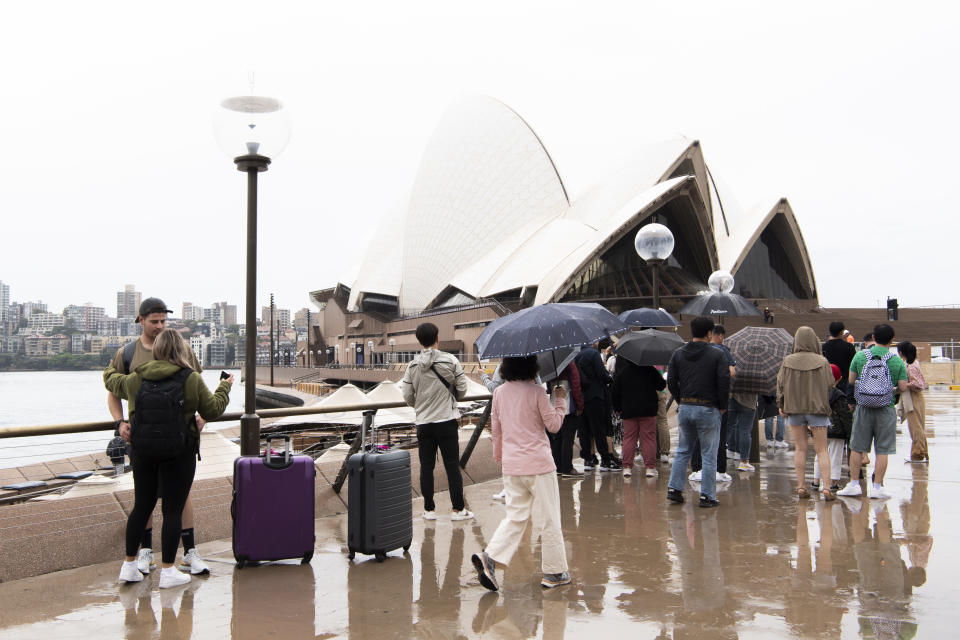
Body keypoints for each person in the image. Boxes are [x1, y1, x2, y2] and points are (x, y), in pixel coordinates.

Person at [106, 329, 232, 588]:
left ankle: (129, 565)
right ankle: (168, 571)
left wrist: (111, 370)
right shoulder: (191, 378)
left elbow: (111, 382)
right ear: (182, 351)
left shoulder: (135, 378)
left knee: (141, 507)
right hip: (179, 452)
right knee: (172, 510)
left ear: (156, 350)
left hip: (142, 451)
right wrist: (224, 387)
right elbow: (212, 409)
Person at [105, 297, 208, 576]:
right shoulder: (127, 353)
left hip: (178, 437)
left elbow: (197, 387)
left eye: (164, 321)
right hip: (145, 436)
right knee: (146, 498)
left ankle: (190, 551)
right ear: (140, 320)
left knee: (179, 496)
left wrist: (202, 418)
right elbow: (113, 394)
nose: (160, 326)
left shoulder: (181, 347)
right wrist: (119, 423)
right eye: (154, 321)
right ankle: (146, 553)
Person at [472, 355, 570, 590]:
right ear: (532, 367)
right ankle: (554, 572)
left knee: (515, 517)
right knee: (549, 518)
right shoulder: (537, 392)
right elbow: (554, 426)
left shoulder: (499, 394)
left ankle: (490, 557)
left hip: (512, 465)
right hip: (539, 465)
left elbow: (497, 430)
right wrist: (559, 401)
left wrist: (501, 458)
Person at [401, 322, 473, 521]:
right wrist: (451, 399)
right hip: (447, 420)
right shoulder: (450, 360)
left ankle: (429, 510)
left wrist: (421, 406)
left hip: (424, 423)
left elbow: (407, 395)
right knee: (452, 466)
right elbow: (462, 389)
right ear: (437, 338)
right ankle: (458, 510)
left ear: (418, 340)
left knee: (426, 466)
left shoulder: (412, 366)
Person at [838, 324, 909, 500]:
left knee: (857, 446)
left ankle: (854, 484)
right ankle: (877, 487)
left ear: (874, 337)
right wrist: (888, 390)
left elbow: (852, 381)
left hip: (863, 407)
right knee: (882, 449)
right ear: (892, 340)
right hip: (885, 408)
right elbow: (902, 387)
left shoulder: (860, 356)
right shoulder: (896, 361)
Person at [665, 317, 730, 508]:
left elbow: (671, 381)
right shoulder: (717, 355)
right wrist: (722, 404)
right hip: (708, 408)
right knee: (709, 453)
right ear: (709, 333)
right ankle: (707, 495)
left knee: (683, 450)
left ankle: (674, 489)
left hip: (686, 406)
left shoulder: (678, 354)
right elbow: (724, 381)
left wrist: (681, 400)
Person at [777, 326, 836, 500]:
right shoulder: (822, 361)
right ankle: (826, 488)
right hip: (817, 409)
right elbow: (830, 384)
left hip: (795, 409)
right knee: (822, 450)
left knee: (800, 449)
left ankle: (801, 487)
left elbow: (780, 385)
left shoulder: (787, 361)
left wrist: (781, 404)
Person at [688, 325, 735, 482]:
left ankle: (697, 468)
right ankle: (719, 470)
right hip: (716, 400)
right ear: (718, 335)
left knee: (697, 436)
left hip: (695, 399)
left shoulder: (694, 351)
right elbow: (731, 373)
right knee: (718, 436)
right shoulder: (722, 351)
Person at [611, 356, 666, 478]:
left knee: (629, 438)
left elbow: (615, 392)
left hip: (629, 410)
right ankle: (650, 468)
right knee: (649, 438)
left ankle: (627, 468)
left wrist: (618, 408)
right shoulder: (649, 370)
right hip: (648, 409)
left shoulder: (623, 372)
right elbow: (661, 385)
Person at [574, 340, 618, 471]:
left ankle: (588, 459)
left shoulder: (576, 356)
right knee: (599, 428)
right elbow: (602, 374)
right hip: (596, 396)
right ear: (592, 341)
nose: (598, 342)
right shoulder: (593, 354)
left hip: (581, 397)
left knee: (584, 430)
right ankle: (605, 459)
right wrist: (610, 377)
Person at [813, 364, 852, 492]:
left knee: (819, 454)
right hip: (837, 430)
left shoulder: (817, 393)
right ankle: (833, 482)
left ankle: (816, 480)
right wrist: (850, 431)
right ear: (838, 379)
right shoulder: (839, 395)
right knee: (835, 455)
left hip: (819, 427)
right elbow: (844, 415)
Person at [551, 359, 584, 477]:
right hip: (568, 405)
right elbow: (576, 386)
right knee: (568, 437)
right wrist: (580, 404)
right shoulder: (570, 365)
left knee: (557, 438)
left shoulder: (551, 366)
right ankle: (567, 468)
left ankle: (558, 467)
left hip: (554, 404)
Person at [897, 341, 929, 463]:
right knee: (918, 426)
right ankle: (922, 452)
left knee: (916, 428)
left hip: (914, 397)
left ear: (901, 352)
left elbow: (920, 384)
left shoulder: (911, 366)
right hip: (915, 397)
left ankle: (918, 454)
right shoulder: (914, 363)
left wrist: (906, 384)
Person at [822, 321, 856, 393]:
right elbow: (853, 365)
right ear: (842, 332)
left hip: (827, 382)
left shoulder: (823, 347)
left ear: (830, 332)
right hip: (845, 383)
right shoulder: (849, 347)